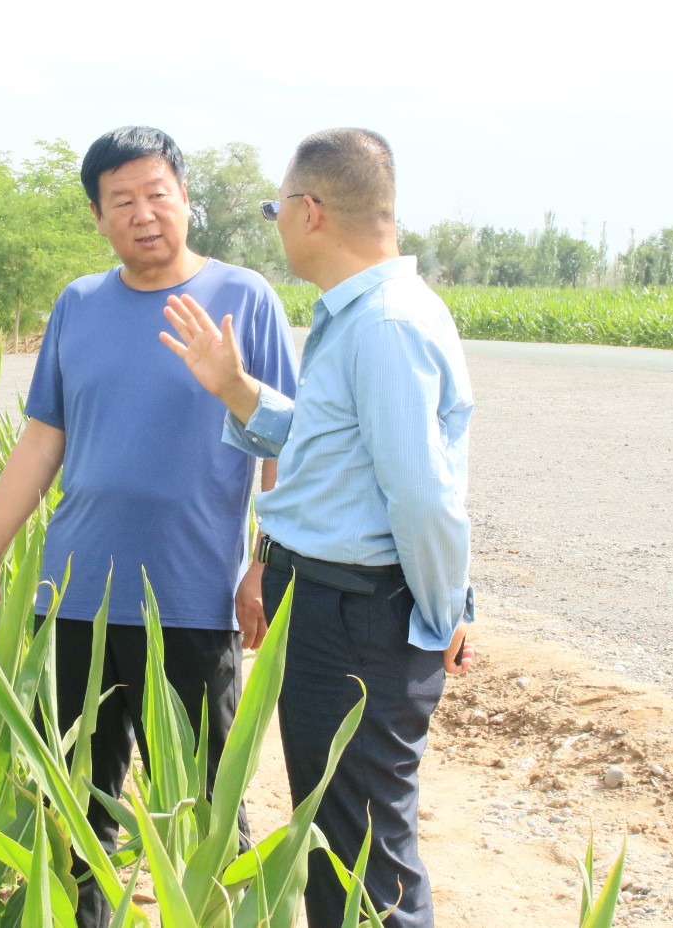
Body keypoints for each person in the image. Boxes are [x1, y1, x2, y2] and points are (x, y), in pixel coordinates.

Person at [0, 126, 297, 928]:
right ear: (98, 217)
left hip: (192, 599)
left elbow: (285, 438)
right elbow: (45, 436)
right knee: (76, 803)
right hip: (76, 596)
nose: (145, 214)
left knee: (206, 805)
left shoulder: (244, 299)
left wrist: (263, 561)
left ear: (185, 199)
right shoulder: (79, 304)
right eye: (123, 201)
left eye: (158, 195)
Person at [159, 128, 475, 928]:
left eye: (275, 207)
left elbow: (422, 496)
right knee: (339, 841)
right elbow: (335, 452)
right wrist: (237, 392)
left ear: (309, 211)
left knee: (362, 856)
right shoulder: (360, 314)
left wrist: (441, 615)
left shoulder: (384, 325)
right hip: (337, 606)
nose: (277, 223)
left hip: (361, 617)